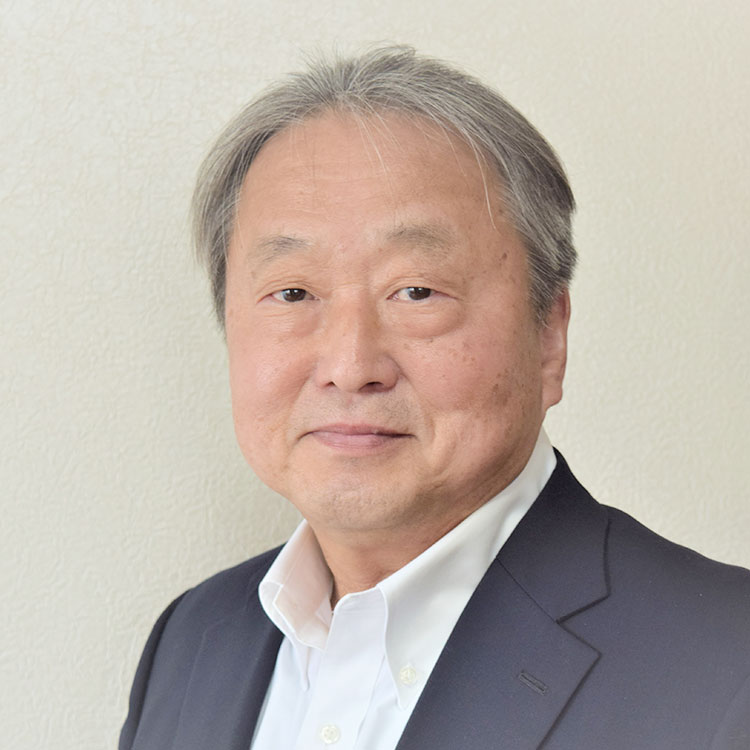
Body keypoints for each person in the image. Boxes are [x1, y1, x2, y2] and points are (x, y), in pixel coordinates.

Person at [120, 46, 750, 750]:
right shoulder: (192, 643)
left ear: (549, 334)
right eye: (292, 293)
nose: (350, 367)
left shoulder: (727, 666)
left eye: (416, 291)